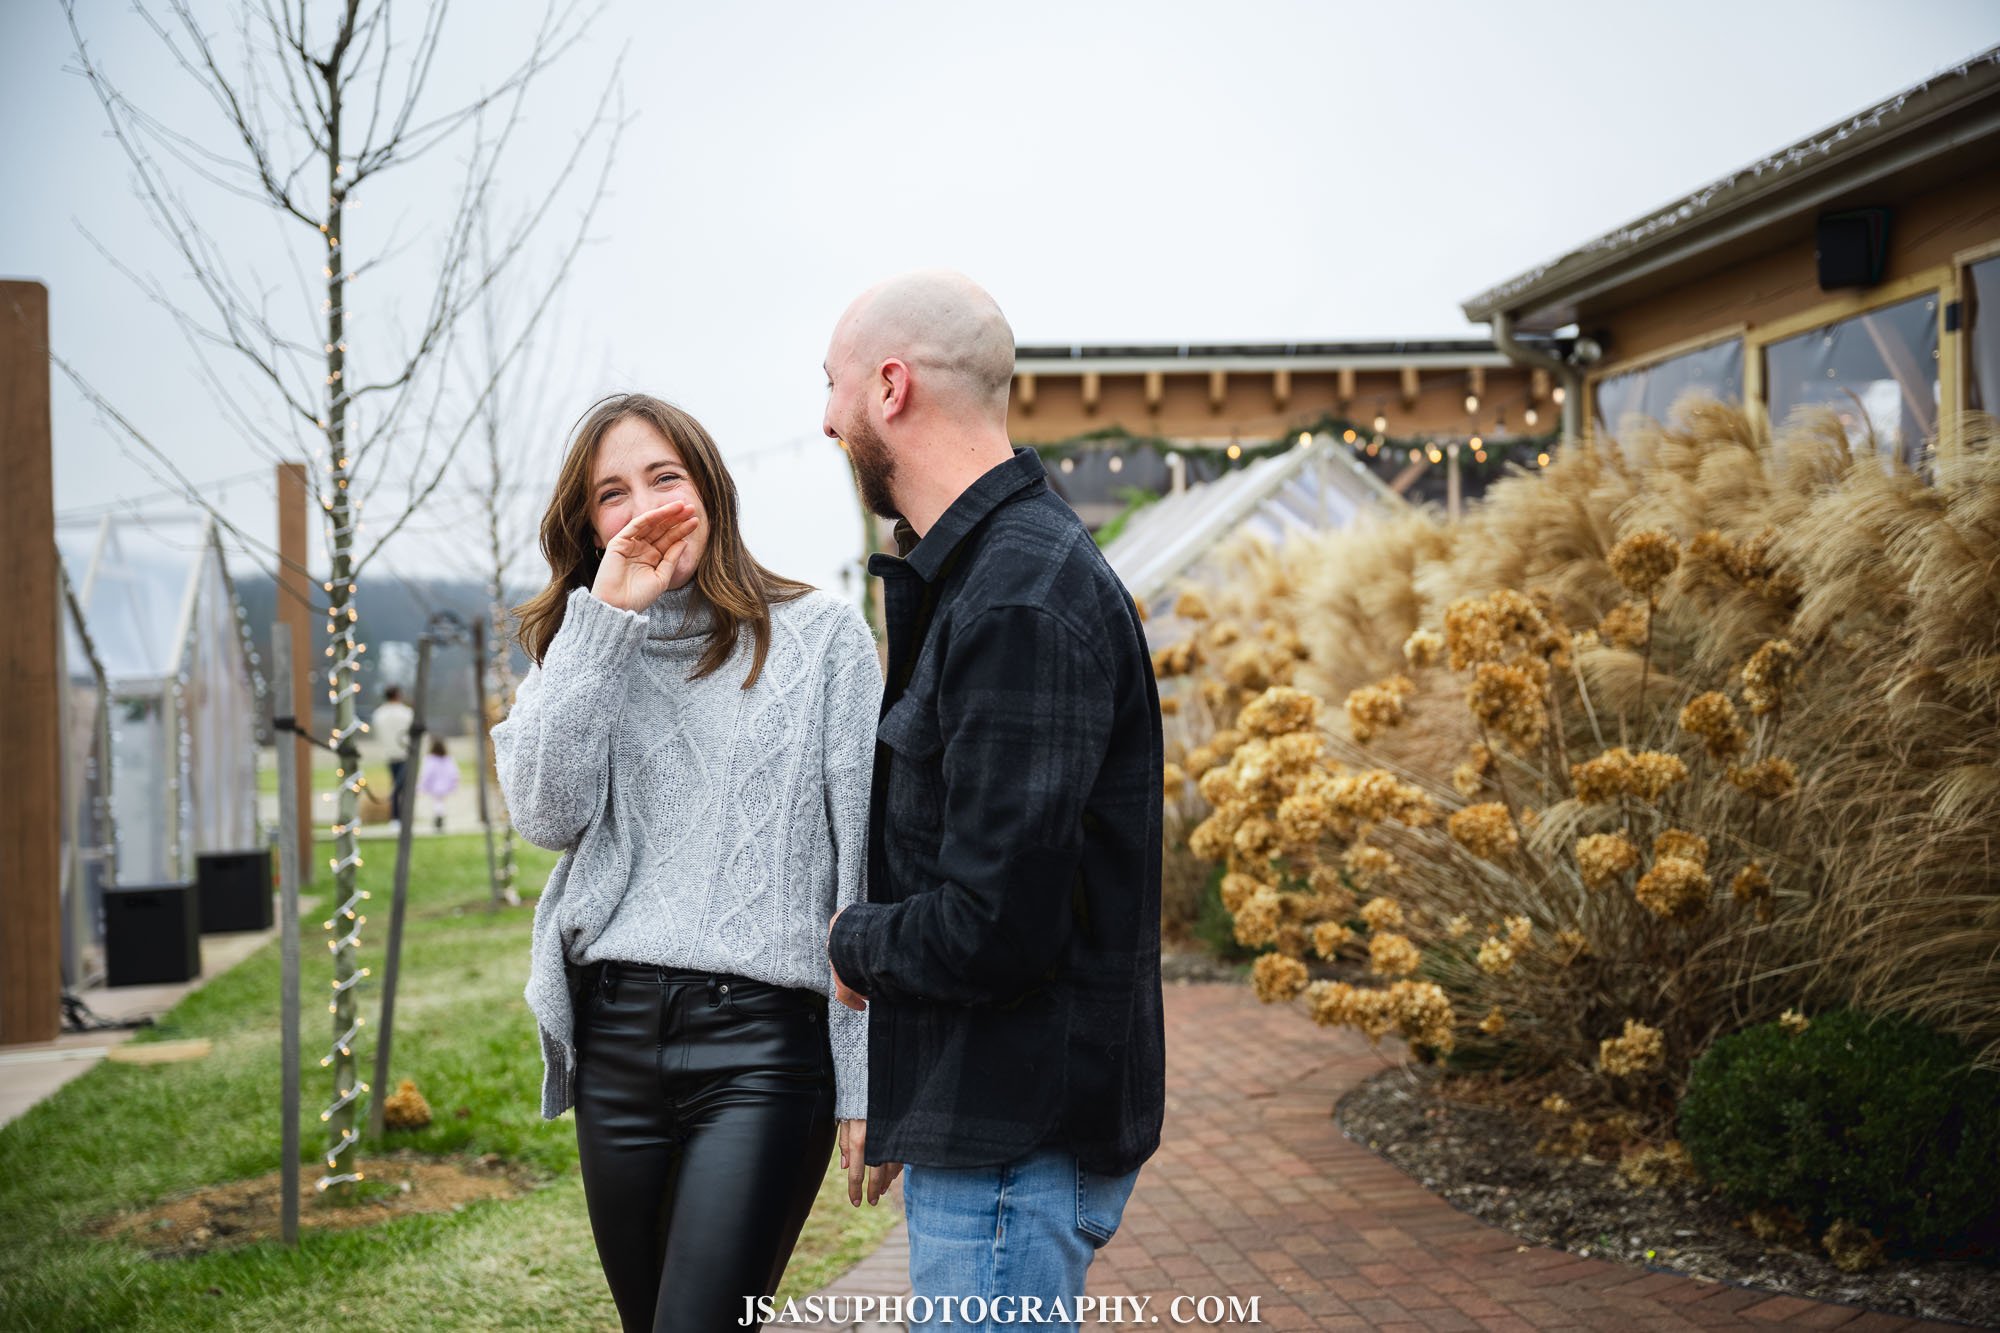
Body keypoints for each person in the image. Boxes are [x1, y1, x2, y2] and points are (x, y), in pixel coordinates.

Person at [493, 393, 883, 1333]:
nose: (645, 506)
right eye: (612, 494)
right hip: (617, 1041)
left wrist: (866, 1077)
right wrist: (605, 622)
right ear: (590, 526)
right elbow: (545, 815)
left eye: (666, 476)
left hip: (763, 1046)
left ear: (709, 486)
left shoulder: (824, 640)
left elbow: (864, 868)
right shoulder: (577, 652)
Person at [821, 271, 1166, 1332]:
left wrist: (850, 943)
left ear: (890, 388)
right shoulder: (986, 575)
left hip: (1015, 1143)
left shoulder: (1019, 595)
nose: (824, 418)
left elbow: (991, 925)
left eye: (830, 385)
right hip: (992, 1124)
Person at [371, 686, 415, 825]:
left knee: (396, 785)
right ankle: (402, 816)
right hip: (405, 753)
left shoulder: (379, 714)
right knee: (404, 787)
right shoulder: (406, 713)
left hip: (389, 753)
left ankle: (396, 817)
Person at [416, 736, 459, 833]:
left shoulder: (429, 759)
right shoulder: (448, 759)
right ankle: (440, 816)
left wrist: (422, 786)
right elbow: (454, 772)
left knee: (437, 801)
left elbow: (426, 773)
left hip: (434, 785)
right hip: (445, 785)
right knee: (440, 801)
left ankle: (438, 817)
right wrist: (454, 784)